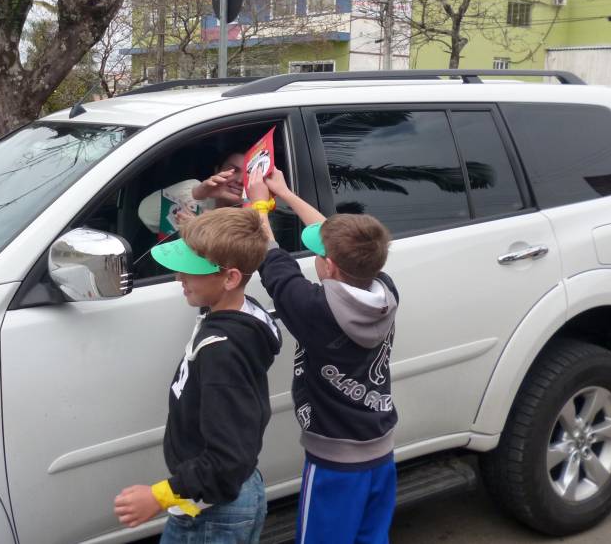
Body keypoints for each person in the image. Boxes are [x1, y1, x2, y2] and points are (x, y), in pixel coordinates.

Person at [248, 169, 400, 544]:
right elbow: (334, 236)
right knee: (371, 537)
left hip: (335, 462)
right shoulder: (385, 290)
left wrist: (258, 207)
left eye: (319, 252)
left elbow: (272, 260)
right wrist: (285, 192)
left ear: (328, 266)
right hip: (381, 450)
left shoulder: (316, 310)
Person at [113, 207, 281, 544]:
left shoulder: (222, 353)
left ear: (230, 278)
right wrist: (201, 228)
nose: (179, 278)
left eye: (190, 271)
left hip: (212, 512)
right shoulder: (241, 310)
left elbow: (227, 459)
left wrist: (159, 496)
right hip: (223, 498)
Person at [137, 150, 245, 235]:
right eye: (234, 170)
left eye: (248, 173)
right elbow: (146, 214)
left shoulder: (257, 214)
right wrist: (197, 194)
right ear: (217, 170)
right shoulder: (197, 196)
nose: (240, 180)